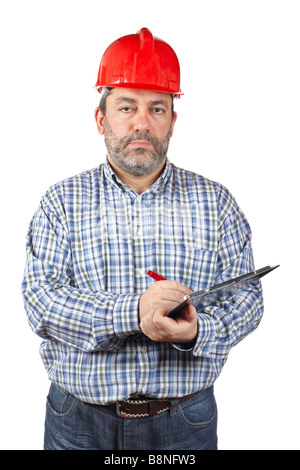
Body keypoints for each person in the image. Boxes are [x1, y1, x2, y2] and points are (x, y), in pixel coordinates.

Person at [21, 28, 264, 451]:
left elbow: (248, 301)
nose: (141, 123)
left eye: (157, 108)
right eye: (126, 107)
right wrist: (134, 311)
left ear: (173, 120)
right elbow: (41, 303)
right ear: (101, 119)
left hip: (185, 421)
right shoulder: (60, 202)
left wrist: (196, 332)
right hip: (78, 422)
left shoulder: (216, 202)